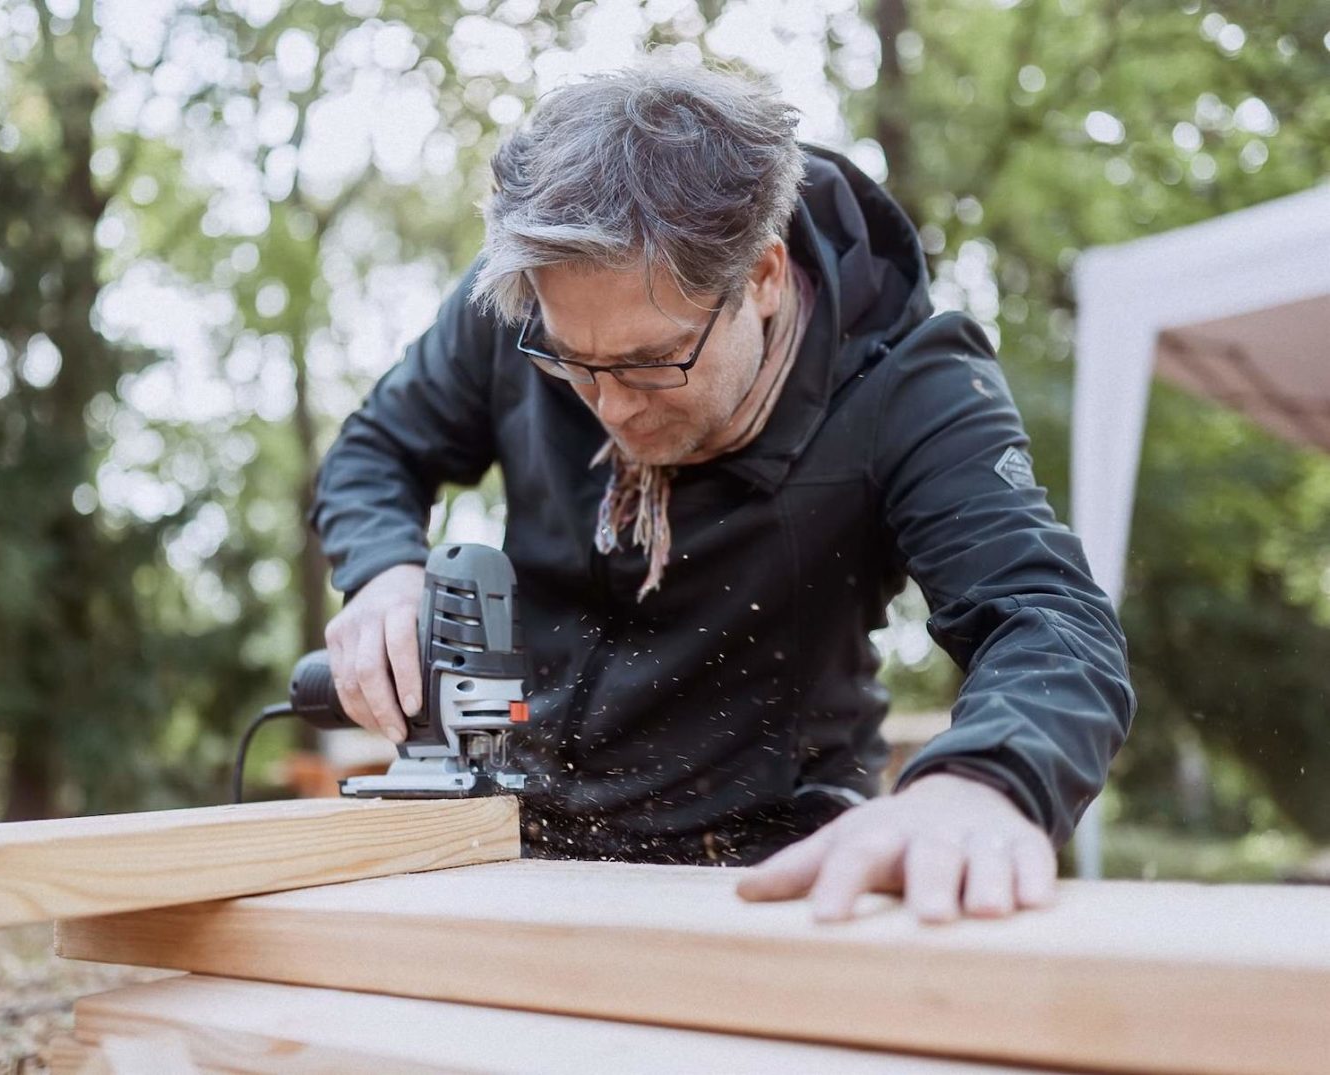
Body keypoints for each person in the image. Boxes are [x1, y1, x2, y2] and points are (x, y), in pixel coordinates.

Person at [308, 61, 1133, 923]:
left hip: (764, 868)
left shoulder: (911, 388)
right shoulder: (532, 295)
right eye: (575, 365)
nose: (614, 407)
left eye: (650, 360)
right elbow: (375, 450)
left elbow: (1049, 618)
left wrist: (980, 782)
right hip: (519, 837)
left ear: (765, 277)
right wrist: (382, 571)